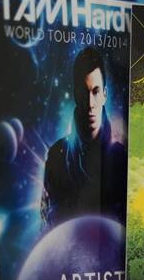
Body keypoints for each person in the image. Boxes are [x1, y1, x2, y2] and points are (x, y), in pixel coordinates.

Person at [40, 48, 128, 227]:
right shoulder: (56, 156)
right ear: (75, 94)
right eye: (84, 92)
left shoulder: (121, 159)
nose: (90, 103)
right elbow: (48, 222)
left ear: (104, 95)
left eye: (95, 91)